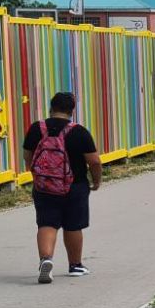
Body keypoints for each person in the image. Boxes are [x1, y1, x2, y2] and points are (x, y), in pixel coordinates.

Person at [24, 91, 102, 283]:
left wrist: (36, 175)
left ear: (51, 107)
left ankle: (45, 260)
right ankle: (75, 265)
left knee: (47, 223)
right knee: (73, 225)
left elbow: (28, 155)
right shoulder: (79, 131)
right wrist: (97, 181)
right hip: (75, 186)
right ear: (71, 110)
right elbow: (94, 161)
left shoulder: (37, 128)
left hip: (44, 186)